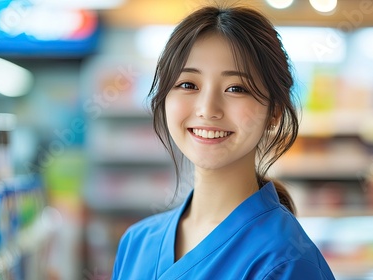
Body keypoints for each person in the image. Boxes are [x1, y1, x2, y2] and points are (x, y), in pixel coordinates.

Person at [112, 5, 335, 280]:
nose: (208, 109)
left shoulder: (285, 262)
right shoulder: (137, 243)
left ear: (275, 111)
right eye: (188, 84)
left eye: (236, 88)